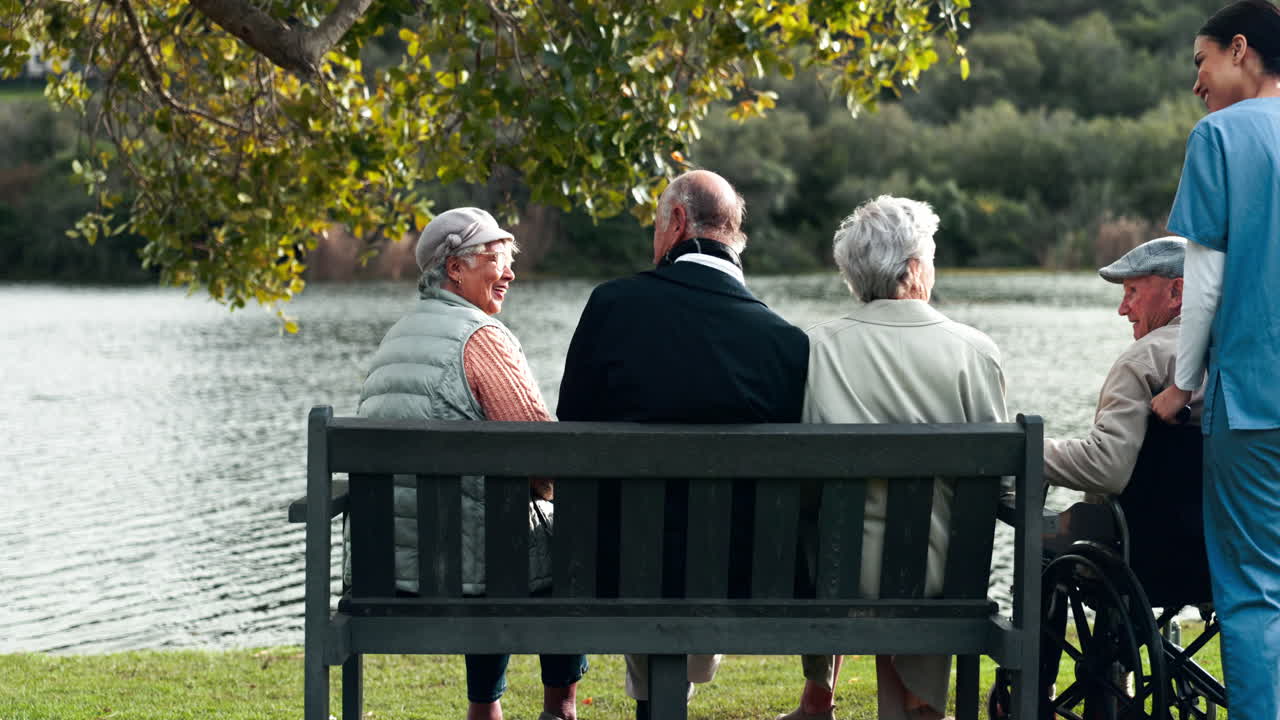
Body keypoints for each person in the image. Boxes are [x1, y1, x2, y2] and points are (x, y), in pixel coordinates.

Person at [557, 169, 809, 719]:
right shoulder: (786, 343)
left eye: (654, 225)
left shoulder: (612, 307)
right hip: (744, 575)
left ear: (676, 222)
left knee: (643, 536)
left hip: (615, 567)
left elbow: (571, 425)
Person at [781, 196, 1007, 720]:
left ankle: (833, 699)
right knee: (925, 539)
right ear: (912, 269)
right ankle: (921, 705)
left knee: (858, 538)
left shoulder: (816, 347)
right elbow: (998, 486)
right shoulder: (974, 351)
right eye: (930, 256)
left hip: (836, 577)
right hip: (943, 583)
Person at [355, 207, 586, 720]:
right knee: (567, 537)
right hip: (467, 568)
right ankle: (560, 709)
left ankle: (485, 710)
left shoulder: (393, 340)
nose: (509, 272)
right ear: (455, 269)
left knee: (484, 523)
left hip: (387, 568)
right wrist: (547, 492)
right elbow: (542, 455)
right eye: (496, 259)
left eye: (510, 261)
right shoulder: (481, 338)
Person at [1149, 2, 1280, 717]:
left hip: (1258, 402)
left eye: (1201, 62)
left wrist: (1182, 385)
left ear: (1240, 49)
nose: (1197, 83)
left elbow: (1203, 287)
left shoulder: (1219, 137)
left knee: (1256, 590)